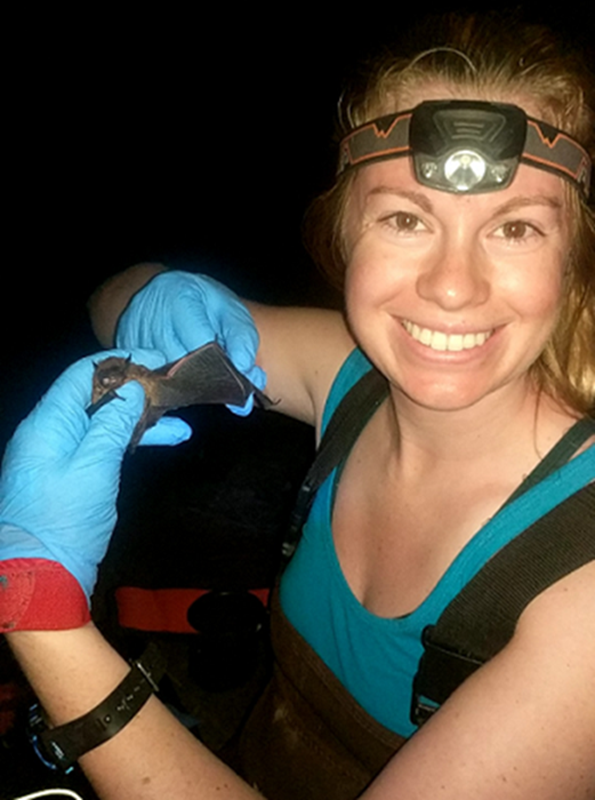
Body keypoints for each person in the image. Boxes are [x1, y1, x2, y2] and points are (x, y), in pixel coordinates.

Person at [1, 12, 594, 800]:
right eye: (405, 219)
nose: (454, 285)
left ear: (573, 261)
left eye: (514, 228)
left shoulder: (580, 593)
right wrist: (157, 293)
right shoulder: (348, 375)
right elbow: (108, 296)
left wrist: (36, 603)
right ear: (346, 236)